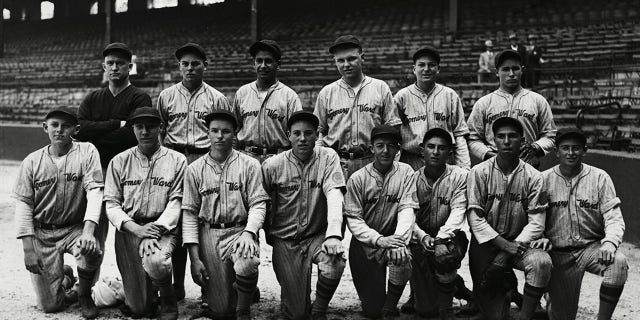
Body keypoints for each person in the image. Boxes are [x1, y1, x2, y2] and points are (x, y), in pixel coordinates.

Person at [13, 107, 105, 319]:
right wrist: (28, 248)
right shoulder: (32, 161)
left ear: (76, 129)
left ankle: (83, 295)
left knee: (92, 251)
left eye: (66, 126)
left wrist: (89, 231)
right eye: (54, 125)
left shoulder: (87, 151)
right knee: (50, 306)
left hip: (74, 227)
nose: (60, 130)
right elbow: (24, 205)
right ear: (45, 127)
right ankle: (65, 277)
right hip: (43, 233)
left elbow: (94, 191)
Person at [157, 42, 232, 300]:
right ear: (179, 66)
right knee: (177, 222)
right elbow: (161, 129)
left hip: (204, 159)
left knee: (203, 222)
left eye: (195, 63)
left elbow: (225, 132)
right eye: (185, 63)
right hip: (175, 159)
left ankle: (207, 287)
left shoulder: (217, 98)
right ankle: (177, 284)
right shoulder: (166, 96)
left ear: (205, 66)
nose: (190, 68)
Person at [181, 110, 270, 320]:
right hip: (210, 233)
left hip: (240, 230)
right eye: (215, 131)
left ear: (235, 133)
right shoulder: (194, 169)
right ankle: (239, 286)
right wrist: (194, 259)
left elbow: (258, 204)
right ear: (208, 133)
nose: (220, 136)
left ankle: (244, 308)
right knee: (221, 311)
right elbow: (190, 215)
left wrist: (250, 232)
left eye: (225, 131)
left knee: (247, 262)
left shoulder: (249, 164)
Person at [531, 128, 627, 320]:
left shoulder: (600, 177)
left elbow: (614, 216)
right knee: (561, 316)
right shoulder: (542, 179)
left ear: (585, 150)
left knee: (618, 263)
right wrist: (540, 237)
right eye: (565, 148)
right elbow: (532, 217)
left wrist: (610, 242)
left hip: (590, 248)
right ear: (556, 152)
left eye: (576, 148)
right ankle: (552, 296)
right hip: (558, 253)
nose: (571, 153)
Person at [262, 111, 347, 320]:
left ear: (317, 135)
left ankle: (319, 308)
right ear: (288, 135)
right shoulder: (272, 165)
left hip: (316, 235)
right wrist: (267, 236)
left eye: (308, 133)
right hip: (286, 240)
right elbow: (260, 203)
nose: (302, 138)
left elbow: (335, 193)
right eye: (297, 133)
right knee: (297, 314)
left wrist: (334, 234)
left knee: (334, 262)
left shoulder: (328, 157)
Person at [103, 107, 187, 320]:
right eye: (139, 126)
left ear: (161, 128)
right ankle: (136, 288)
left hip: (163, 229)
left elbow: (177, 201)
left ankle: (167, 296)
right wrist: (137, 229)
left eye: (150, 126)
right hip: (130, 230)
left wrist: (155, 230)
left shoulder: (177, 160)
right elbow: (111, 205)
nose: (145, 131)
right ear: (133, 129)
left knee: (156, 261)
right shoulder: (119, 161)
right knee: (140, 308)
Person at [467, 117, 552, 320]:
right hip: (487, 244)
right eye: (501, 136)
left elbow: (537, 222)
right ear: (493, 140)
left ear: (522, 141)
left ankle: (525, 313)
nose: (506, 141)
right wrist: (504, 246)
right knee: (495, 316)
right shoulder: (479, 172)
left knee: (541, 262)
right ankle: (509, 290)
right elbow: (474, 218)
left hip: (520, 244)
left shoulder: (533, 176)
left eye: (512, 136)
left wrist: (508, 252)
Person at [344, 125, 417, 318]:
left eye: (391, 146)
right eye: (380, 145)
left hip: (393, 238)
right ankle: (377, 304)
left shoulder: (406, 172)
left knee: (402, 256)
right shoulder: (357, 178)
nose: (385, 150)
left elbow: (407, 209)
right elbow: (354, 220)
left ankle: (391, 305)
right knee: (371, 310)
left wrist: (399, 240)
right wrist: (378, 240)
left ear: (398, 149)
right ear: (371, 148)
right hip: (365, 244)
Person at [314, 35, 401, 178]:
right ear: (335, 62)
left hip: (372, 161)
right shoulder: (327, 92)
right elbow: (319, 133)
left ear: (362, 57)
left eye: (351, 59)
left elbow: (392, 129)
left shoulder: (380, 87)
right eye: (340, 60)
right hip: (336, 163)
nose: (346, 64)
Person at [406, 128, 469, 320]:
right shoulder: (411, 178)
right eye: (431, 147)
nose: (435, 152)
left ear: (450, 152)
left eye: (441, 148)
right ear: (421, 149)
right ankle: (456, 290)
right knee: (425, 310)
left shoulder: (460, 175)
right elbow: (408, 215)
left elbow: (458, 212)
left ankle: (446, 308)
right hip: (421, 239)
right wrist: (422, 236)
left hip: (450, 237)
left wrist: (442, 239)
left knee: (446, 257)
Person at [467, 49, 557, 167]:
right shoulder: (484, 103)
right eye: (505, 69)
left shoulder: (538, 100)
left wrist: (535, 148)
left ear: (522, 70)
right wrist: (489, 154)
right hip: (493, 166)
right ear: (496, 72)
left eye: (515, 68)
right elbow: (472, 138)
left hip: (528, 165)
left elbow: (550, 135)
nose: (511, 74)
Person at [76, 42, 152, 170]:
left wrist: (91, 140)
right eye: (110, 63)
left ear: (130, 67)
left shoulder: (140, 98)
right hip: (95, 168)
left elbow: (131, 136)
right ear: (104, 67)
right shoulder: (92, 98)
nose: (114, 67)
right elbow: (79, 129)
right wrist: (115, 124)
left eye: (120, 63)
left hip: (129, 168)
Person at [395, 46, 470, 170]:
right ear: (414, 69)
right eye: (421, 65)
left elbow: (459, 135)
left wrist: (464, 168)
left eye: (431, 65)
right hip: (412, 161)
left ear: (438, 69)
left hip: (445, 161)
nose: (426, 69)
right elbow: (394, 135)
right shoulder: (402, 96)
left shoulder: (450, 95)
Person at [232, 39, 302, 162]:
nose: (263, 66)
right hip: (246, 157)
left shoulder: (289, 96)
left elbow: (298, 133)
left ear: (278, 64)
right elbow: (233, 129)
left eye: (268, 61)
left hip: (279, 158)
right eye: (259, 61)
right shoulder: (242, 93)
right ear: (253, 63)